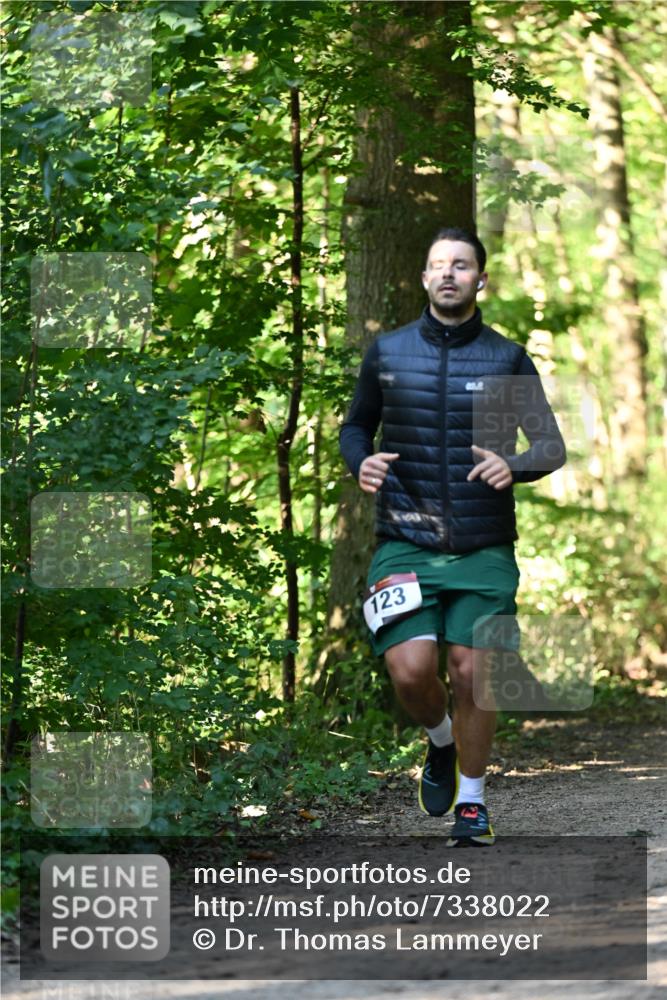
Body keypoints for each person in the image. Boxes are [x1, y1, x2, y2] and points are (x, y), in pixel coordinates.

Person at [339, 227, 566, 846]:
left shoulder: (507, 357)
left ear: (480, 279)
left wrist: (512, 465)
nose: (448, 274)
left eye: (461, 266)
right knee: (411, 673)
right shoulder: (387, 353)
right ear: (423, 278)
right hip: (406, 537)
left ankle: (472, 801)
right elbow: (356, 427)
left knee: (475, 675)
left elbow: (550, 444)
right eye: (438, 265)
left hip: (484, 543)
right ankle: (440, 741)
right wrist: (361, 462)